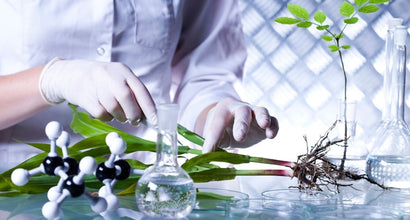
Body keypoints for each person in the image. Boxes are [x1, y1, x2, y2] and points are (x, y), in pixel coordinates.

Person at [0, 0, 278, 171]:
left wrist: (217, 114)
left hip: (140, 190)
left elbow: (205, 70)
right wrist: (52, 79)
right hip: (20, 188)